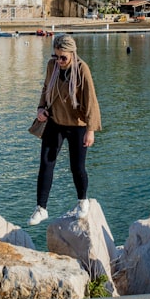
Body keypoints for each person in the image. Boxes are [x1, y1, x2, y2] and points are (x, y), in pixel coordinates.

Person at [28, 34, 101, 225]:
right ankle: (41, 208)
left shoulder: (81, 69)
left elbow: (91, 100)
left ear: (72, 54)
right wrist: (40, 108)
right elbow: (46, 89)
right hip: (55, 122)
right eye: (56, 56)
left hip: (77, 125)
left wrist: (90, 130)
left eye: (63, 57)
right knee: (46, 163)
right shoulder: (52, 66)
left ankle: (83, 201)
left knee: (77, 167)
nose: (59, 61)